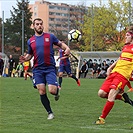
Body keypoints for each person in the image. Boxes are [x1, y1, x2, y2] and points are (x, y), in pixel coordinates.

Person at [19, 18, 70, 120]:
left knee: (52, 90)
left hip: (50, 68)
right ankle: (50, 112)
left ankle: (56, 92)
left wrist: (67, 48)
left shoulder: (50, 37)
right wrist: (25, 58)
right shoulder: (30, 41)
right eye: (37, 24)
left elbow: (60, 44)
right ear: (33, 26)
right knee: (42, 91)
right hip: (37, 69)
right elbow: (30, 54)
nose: (39, 26)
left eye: (41, 24)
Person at [94, 26, 133, 125]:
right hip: (114, 73)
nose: (125, 37)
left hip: (122, 75)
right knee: (101, 93)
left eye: (127, 35)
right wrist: (110, 68)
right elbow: (120, 59)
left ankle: (101, 119)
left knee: (111, 94)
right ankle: (121, 97)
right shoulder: (125, 46)